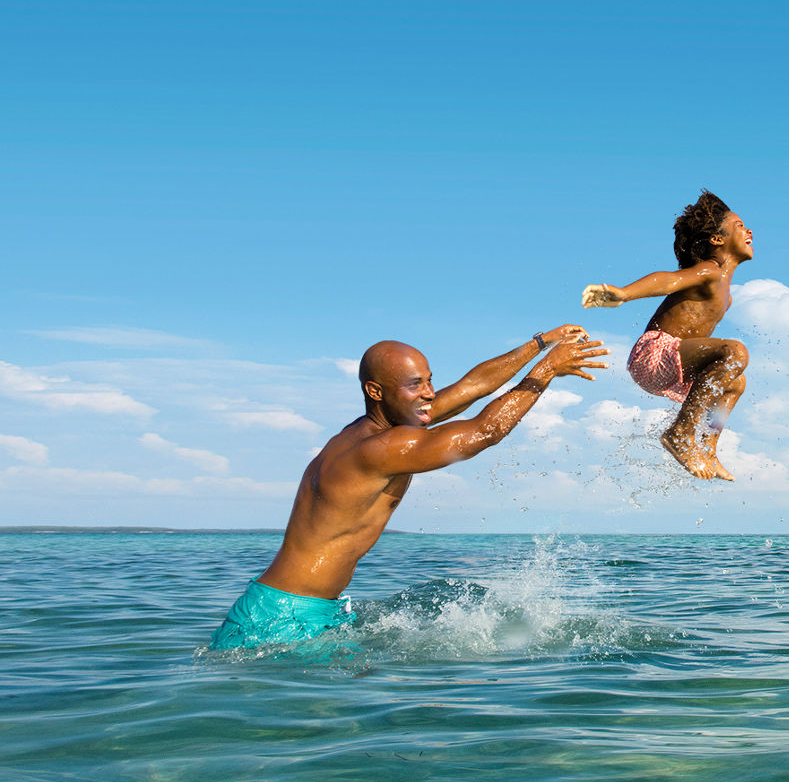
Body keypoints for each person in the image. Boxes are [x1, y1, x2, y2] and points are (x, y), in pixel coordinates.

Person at [209, 325, 608, 650]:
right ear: (376, 392)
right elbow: (485, 431)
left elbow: (473, 387)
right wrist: (546, 370)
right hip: (283, 618)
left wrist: (539, 344)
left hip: (296, 608)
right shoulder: (381, 448)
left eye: (430, 381)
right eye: (416, 385)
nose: (430, 394)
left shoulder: (373, 430)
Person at [582, 190, 752, 481]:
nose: (749, 230)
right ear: (717, 239)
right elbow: (670, 280)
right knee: (736, 352)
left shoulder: (728, 296)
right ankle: (682, 431)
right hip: (654, 353)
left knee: (737, 382)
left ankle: (706, 449)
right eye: (739, 225)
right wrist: (624, 293)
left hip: (673, 364)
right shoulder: (709, 270)